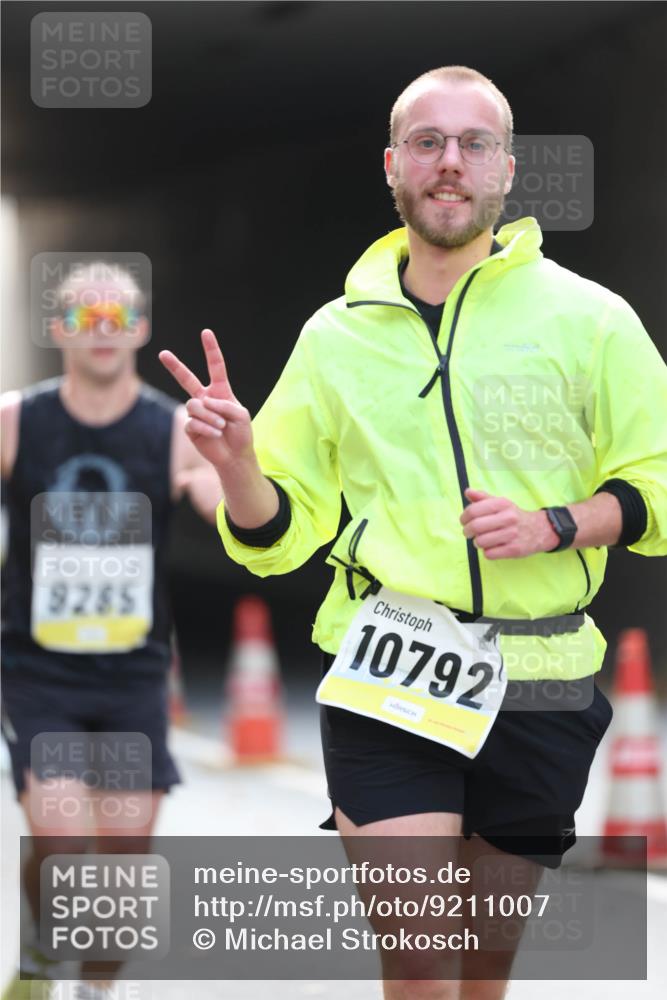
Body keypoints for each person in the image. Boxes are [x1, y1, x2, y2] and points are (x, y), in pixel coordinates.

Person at [160, 65, 667, 1000]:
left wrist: (560, 524)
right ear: (392, 166)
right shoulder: (334, 337)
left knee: (481, 967)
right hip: (387, 669)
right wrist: (236, 466)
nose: (450, 163)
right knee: (421, 958)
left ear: (506, 171)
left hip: (542, 681)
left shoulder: (591, 321)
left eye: (473, 144)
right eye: (427, 143)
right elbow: (278, 533)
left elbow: (656, 482)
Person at [1, 261, 222, 1000]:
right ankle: (42, 938)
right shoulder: (16, 421)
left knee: (125, 857)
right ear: (59, 329)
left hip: (132, 672)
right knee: (61, 843)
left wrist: (231, 477)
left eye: (118, 317)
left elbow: (224, 506)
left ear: (140, 328)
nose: (104, 331)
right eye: (86, 318)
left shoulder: (170, 431)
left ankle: (94, 989)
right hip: (40, 671)